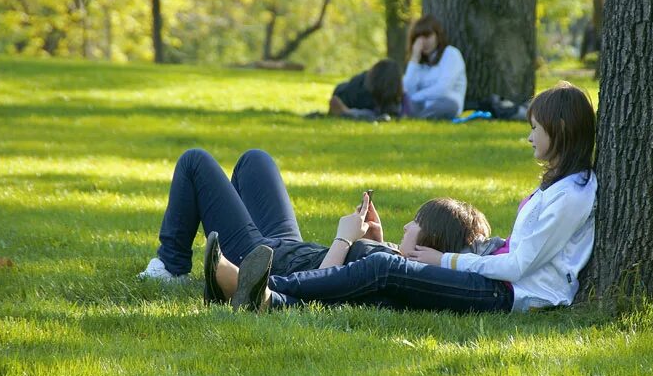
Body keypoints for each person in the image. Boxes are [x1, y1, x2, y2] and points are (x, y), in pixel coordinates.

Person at [212, 81, 597, 314]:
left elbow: (518, 266)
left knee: (385, 272)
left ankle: (270, 292)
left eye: (535, 128)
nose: (529, 137)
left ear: (559, 128)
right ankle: (266, 296)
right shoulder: (562, 186)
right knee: (383, 275)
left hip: (507, 294)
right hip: (497, 281)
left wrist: (445, 260)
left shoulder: (573, 195)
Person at [137, 148, 402, 303]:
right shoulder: (402, 259)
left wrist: (343, 240)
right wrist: (375, 240)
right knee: (255, 159)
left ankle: (171, 267)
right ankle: (220, 239)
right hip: (293, 248)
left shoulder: (412, 269)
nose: (407, 227)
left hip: (266, 260)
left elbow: (321, 284)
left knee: (194, 161)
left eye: (415, 227)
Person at [402, 15, 467, 119]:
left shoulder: (451, 54)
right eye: (419, 39)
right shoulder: (418, 63)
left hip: (445, 103)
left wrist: (415, 97)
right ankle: (418, 117)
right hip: (421, 106)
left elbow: (443, 89)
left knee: (447, 105)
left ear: (437, 36)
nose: (423, 43)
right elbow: (408, 89)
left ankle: (417, 119)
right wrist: (414, 58)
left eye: (427, 37)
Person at [328, 59, 404, 121]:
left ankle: (346, 112)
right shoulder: (361, 92)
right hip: (346, 98)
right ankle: (346, 112)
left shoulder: (394, 96)